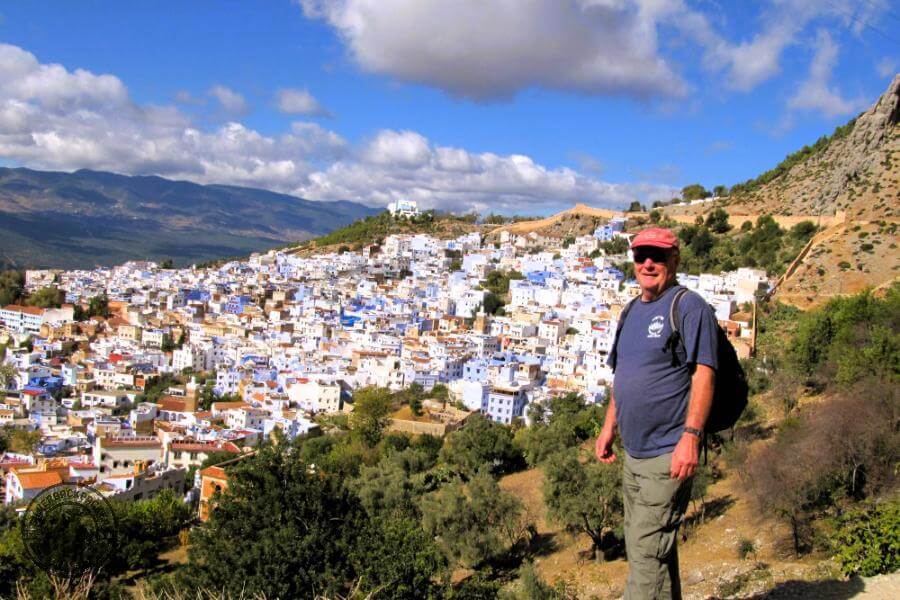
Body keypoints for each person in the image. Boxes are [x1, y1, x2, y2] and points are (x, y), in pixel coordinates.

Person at [595, 227, 718, 600]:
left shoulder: (688, 307)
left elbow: (704, 372)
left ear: (675, 261)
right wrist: (608, 428)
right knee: (652, 553)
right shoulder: (631, 311)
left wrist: (691, 437)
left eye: (658, 256)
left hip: (668, 453)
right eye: (641, 256)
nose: (648, 263)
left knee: (647, 556)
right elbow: (623, 375)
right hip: (634, 454)